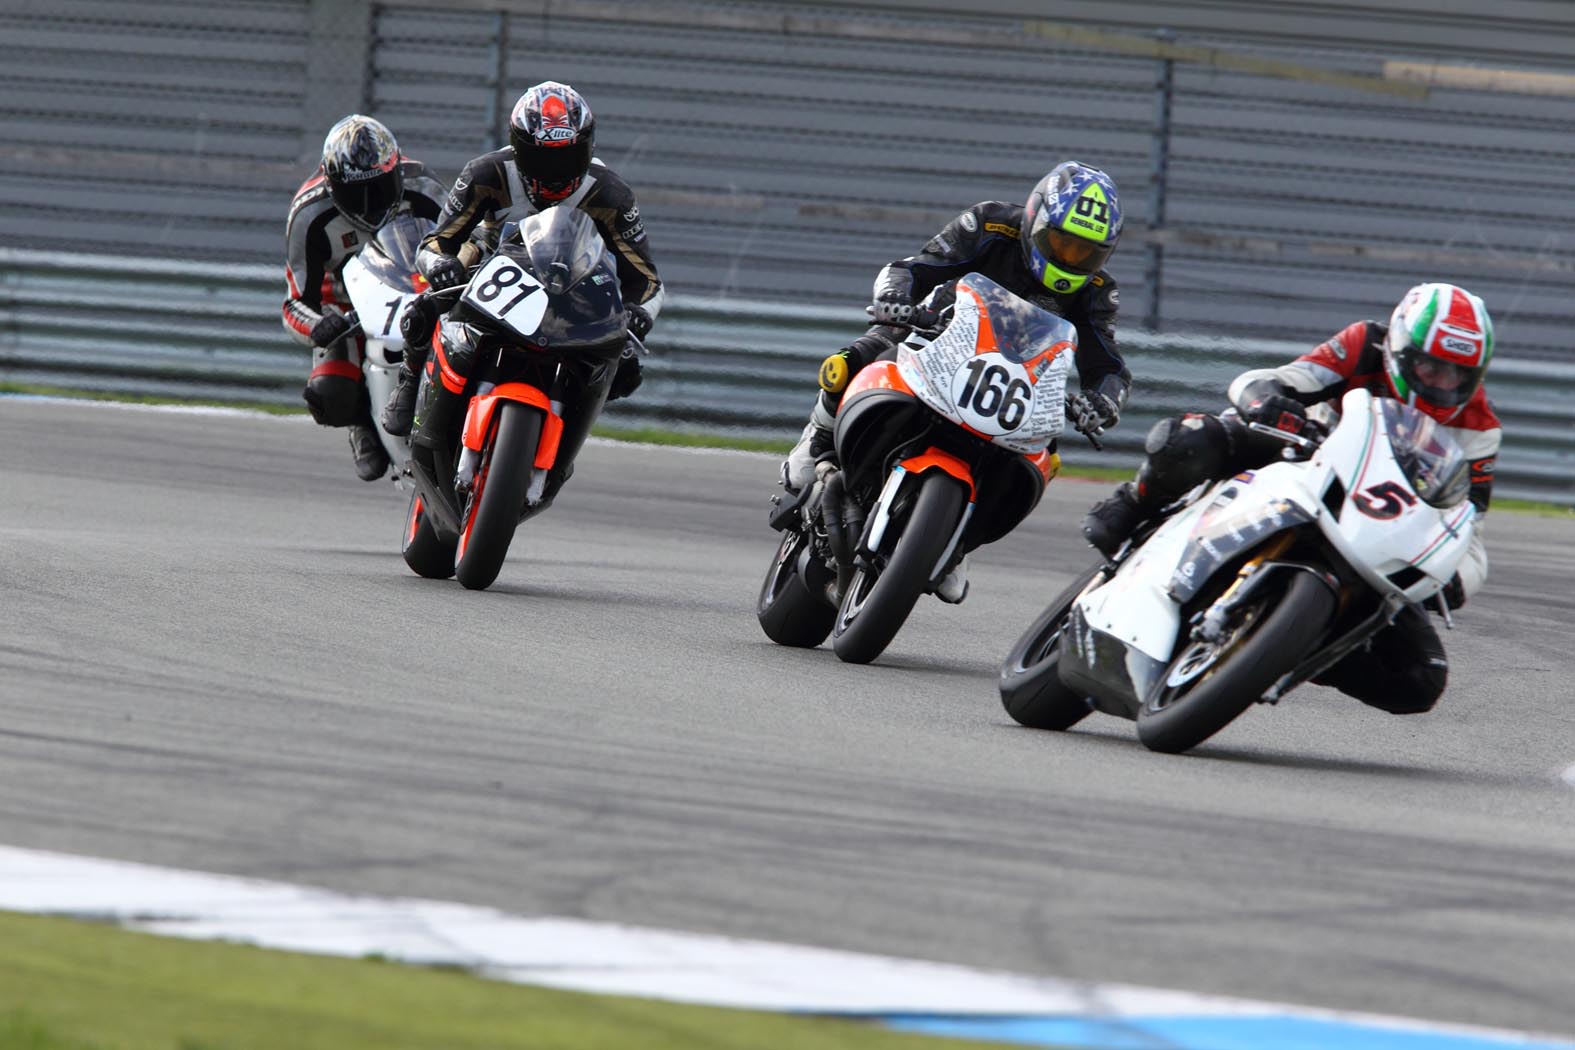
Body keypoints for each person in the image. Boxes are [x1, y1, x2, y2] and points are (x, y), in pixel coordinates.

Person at [1081, 281, 1500, 715]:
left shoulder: (1480, 429)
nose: (1442, 384)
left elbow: (1467, 527)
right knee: (1195, 437)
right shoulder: (1364, 345)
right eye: (1430, 368)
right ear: (1398, 349)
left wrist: (1454, 578)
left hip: (1375, 527)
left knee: (1420, 679)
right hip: (1302, 455)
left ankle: (1298, 647)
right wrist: (1268, 402)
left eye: (1457, 375)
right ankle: (1132, 505)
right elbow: (1269, 380)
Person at [780, 160, 1132, 602]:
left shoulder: (1096, 289)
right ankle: (817, 439)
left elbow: (1109, 365)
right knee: (857, 356)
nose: (1070, 258)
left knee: (1049, 454)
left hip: (1016, 384)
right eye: (1062, 242)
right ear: (1036, 221)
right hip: (941, 335)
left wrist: (1102, 401)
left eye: (1086, 252)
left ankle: (959, 537)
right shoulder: (990, 224)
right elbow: (912, 267)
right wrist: (896, 300)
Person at [381, 80, 662, 508]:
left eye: (565, 157)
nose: (552, 171)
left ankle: (563, 449)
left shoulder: (611, 194)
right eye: (539, 157)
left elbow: (645, 278)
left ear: (585, 149)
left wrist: (640, 313)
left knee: (623, 365)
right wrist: (440, 265)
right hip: (494, 262)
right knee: (423, 307)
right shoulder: (486, 172)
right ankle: (408, 383)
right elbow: (438, 241)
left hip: (575, 283)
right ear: (517, 148)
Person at [284, 114, 447, 480]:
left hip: (415, 286)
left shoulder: (424, 186)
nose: (370, 202)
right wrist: (319, 326)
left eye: (380, 187)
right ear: (332, 185)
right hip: (345, 303)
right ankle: (362, 422)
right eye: (357, 192)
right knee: (330, 395)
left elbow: (461, 244)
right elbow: (295, 301)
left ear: (396, 172)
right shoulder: (309, 215)